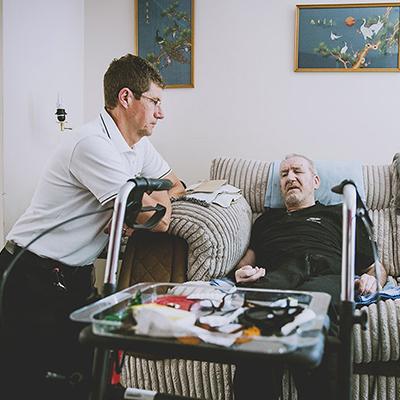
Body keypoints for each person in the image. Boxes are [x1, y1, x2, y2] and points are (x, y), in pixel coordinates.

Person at [0, 54, 186, 399]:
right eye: (155, 102)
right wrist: (143, 207)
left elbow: (177, 186)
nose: (161, 113)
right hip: (31, 277)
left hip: (73, 277)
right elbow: (156, 221)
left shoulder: (137, 144)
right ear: (126, 98)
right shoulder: (92, 144)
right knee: (28, 385)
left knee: (82, 380)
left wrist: (144, 203)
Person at [232, 154, 387, 400]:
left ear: (315, 181)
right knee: (259, 316)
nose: (290, 178)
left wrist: (374, 280)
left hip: (328, 272)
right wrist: (244, 271)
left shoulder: (340, 214)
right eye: (284, 174)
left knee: (317, 313)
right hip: (280, 273)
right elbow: (246, 263)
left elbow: (375, 267)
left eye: (297, 171)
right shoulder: (266, 220)